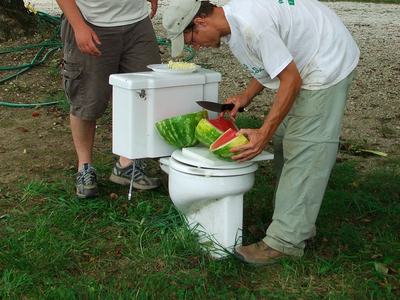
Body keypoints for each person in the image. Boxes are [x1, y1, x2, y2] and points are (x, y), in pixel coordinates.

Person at [163, 0, 359, 265]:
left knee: (305, 149)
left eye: (193, 38)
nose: (196, 46)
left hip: (326, 59)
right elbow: (271, 62)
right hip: (304, 58)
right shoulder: (234, 26)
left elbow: (291, 79)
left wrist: (264, 133)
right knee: (285, 143)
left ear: (200, 21)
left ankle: (284, 242)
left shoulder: (251, 25)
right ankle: (296, 222)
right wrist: (246, 96)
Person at [56, 0, 162, 198]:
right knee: (87, 98)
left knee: (143, 93)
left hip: (137, 22)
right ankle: (84, 167)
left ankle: (127, 163)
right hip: (91, 21)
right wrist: (79, 26)